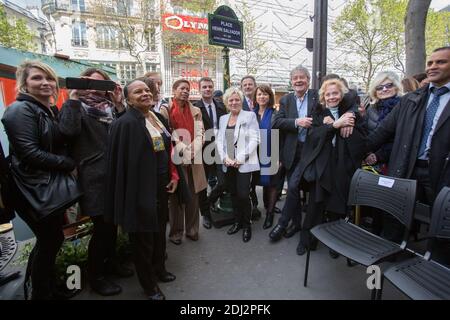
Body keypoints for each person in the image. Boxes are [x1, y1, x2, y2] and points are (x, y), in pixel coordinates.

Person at [1, 61, 81, 299]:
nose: (45, 83)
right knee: (49, 240)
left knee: (52, 239)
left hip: (45, 185)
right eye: (37, 78)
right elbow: (30, 153)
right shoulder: (19, 110)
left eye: (49, 79)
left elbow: (66, 136)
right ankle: (41, 293)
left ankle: (45, 288)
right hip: (29, 189)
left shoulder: (47, 108)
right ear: (24, 84)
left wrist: (73, 101)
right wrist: (69, 165)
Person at [367, 46, 450, 266]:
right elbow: (382, 132)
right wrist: (358, 152)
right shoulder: (412, 99)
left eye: (440, 62)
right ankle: (388, 254)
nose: (433, 67)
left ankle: (436, 266)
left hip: (441, 172)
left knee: (440, 221)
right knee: (395, 213)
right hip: (407, 166)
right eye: (430, 63)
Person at [58, 67, 131, 296]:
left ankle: (111, 264)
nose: (93, 89)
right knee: (102, 228)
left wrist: (120, 104)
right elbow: (67, 132)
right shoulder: (76, 107)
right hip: (93, 177)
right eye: (88, 83)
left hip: (115, 174)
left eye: (100, 84)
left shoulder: (110, 108)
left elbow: (126, 132)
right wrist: (71, 100)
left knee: (112, 226)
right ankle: (97, 277)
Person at [105, 79, 179, 300]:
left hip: (160, 187)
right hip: (139, 192)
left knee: (158, 234)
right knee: (143, 241)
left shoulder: (157, 118)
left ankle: (159, 269)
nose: (145, 93)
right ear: (127, 99)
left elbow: (167, 148)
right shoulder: (125, 124)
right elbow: (122, 166)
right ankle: (149, 286)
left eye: (147, 90)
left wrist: (173, 175)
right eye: (138, 91)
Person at [288, 78, 366, 255]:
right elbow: (314, 137)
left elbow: (362, 139)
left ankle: (334, 243)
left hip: (342, 165)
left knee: (337, 206)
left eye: (335, 93)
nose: (332, 97)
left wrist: (349, 126)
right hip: (321, 166)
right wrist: (336, 126)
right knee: (315, 204)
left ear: (341, 95)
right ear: (323, 96)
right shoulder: (318, 112)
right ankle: (307, 240)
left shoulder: (351, 114)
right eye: (328, 94)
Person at [269, 65, 319, 242]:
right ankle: (296, 223)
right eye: (295, 78)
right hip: (292, 150)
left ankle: (283, 223)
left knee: (293, 187)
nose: (298, 80)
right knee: (293, 189)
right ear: (291, 82)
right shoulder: (286, 100)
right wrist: (297, 122)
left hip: (311, 151)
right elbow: (277, 122)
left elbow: (347, 96)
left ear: (308, 80)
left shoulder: (317, 96)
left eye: (302, 77)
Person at [362, 71, 403, 239]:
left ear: (396, 86)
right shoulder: (370, 108)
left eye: (389, 85)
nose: (384, 89)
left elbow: (401, 139)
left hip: (393, 161)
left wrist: (378, 155)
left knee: (390, 204)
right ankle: (375, 234)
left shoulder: (404, 107)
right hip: (372, 161)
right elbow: (365, 134)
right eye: (380, 87)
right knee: (376, 201)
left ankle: (388, 240)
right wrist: (367, 153)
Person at [216, 87, 260, 242]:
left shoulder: (249, 116)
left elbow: (255, 139)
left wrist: (240, 158)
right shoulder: (223, 119)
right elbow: (220, 140)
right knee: (233, 193)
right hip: (228, 163)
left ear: (241, 101)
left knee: (243, 194)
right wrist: (225, 158)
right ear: (227, 103)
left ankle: (246, 224)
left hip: (244, 163)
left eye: (236, 99)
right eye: (231, 100)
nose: (234, 102)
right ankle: (237, 221)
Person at [168, 79, 207, 245]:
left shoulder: (196, 110)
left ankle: (192, 230)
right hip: (176, 158)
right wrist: (185, 149)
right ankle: (176, 233)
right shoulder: (166, 109)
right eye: (182, 88)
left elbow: (201, 133)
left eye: (187, 89)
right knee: (177, 198)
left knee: (193, 195)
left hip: (194, 158)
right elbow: (168, 132)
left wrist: (193, 150)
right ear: (174, 90)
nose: (185, 91)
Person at [194, 77, 227, 229]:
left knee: (223, 181)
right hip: (204, 149)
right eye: (204, 87)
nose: (207, 89)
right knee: (202, 185)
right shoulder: (195, 107)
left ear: (213, 88)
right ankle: (205, 214)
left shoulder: (221, 105)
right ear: (200, 89)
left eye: (210, 87)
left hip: (220, 149)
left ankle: (210, 201)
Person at [252, 84, 281, 229]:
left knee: (272, 184)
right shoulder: (251, 114)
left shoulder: (276, 114)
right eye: (259, 94)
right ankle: (258, 208)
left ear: (269, 97)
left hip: (272, 152)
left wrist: (279, 157)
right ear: (255, 97)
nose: (262, 97)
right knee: (257, 182)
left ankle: (270, 214)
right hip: (254, 154)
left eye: (265, 94)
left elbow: (282, 136)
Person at [240, 75, 260, 220]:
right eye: (245, 85)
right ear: (242, 88)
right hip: (246, 148)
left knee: (258, 178)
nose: (247, 87)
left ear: (255, 86)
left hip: (262, 147)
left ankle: (256, 205)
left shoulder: (261, 101)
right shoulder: (238, 103)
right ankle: (251, 207)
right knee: (247, 180)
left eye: (250, 84)